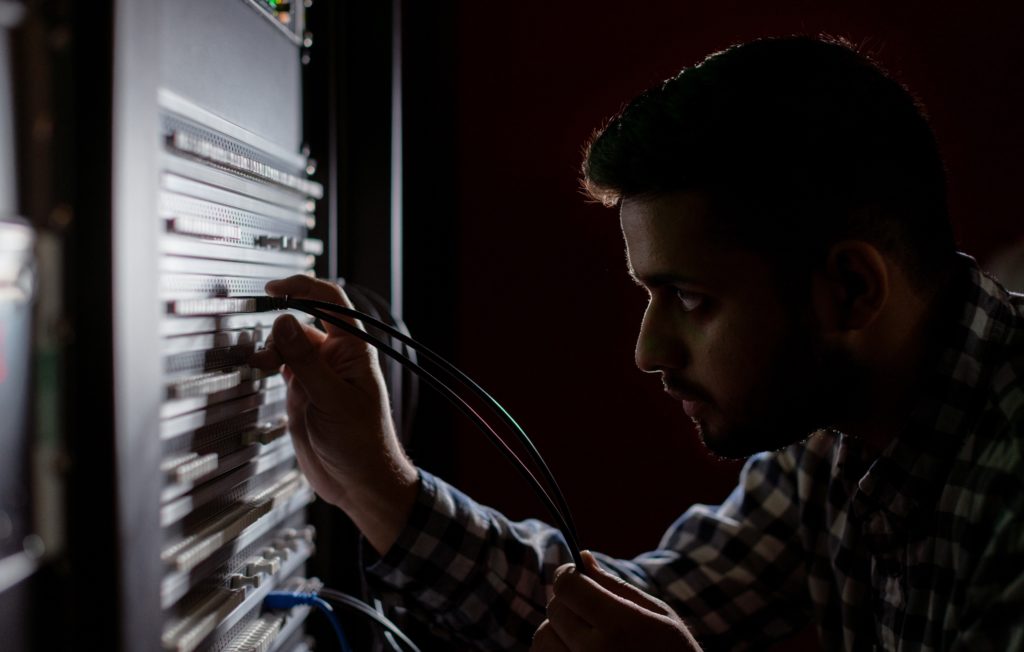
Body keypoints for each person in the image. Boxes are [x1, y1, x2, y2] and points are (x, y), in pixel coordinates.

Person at [249, 35, 1024, 651]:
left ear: (852, 289)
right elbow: (626, 611)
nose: (649, 350)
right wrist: (375, 484)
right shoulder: (836, 439)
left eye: (691, 299)